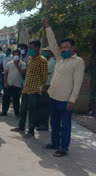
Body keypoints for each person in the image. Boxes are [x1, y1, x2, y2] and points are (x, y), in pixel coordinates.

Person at [42, 18, 85, 157]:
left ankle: (63, 148)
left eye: (66, 47)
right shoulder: (60, 58)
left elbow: (78, 82)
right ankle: (54, 143)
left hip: (65, 100)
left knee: (65, 125)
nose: (63, 49)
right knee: (53, 122)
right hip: (53, 96)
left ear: (73, 48)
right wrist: (47, 26)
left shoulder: (78, 62)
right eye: (62, 47)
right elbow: (52, 42)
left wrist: (72, 100)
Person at [11, 40, 48, 138]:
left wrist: (41, 89)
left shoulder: (42, 60)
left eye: (31, 48)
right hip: (26, 88)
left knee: (33, 111)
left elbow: (44, 77)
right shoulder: (30, 58)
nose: (29, 50)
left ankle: (31, 131)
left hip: (35, 90)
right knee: (23, 109)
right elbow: (27, 73)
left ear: (37, 48)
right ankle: (21, 127)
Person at [0, 50, 26, 116]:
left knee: (16, 100)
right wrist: (5, 83)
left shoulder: (23, 64)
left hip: (17, 85)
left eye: (17, 55)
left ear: (19, 55)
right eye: (15, 55)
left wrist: (17, 65)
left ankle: (17, 113)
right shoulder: (9, 64)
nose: (16, 56)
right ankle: (4, 112)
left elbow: (23, 73)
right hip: (9, 84)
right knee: (6, 99)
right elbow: (5, 74)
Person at [36, 47, 56, 131]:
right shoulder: (46, 61)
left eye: (46, 51)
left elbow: (43, 70)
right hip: (42, 85)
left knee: (44, 106)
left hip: (47, 86)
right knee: (40, 106)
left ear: (51, 52)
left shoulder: (52, 61)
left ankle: (44, 124)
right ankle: (40, 122)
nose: (44, 53)